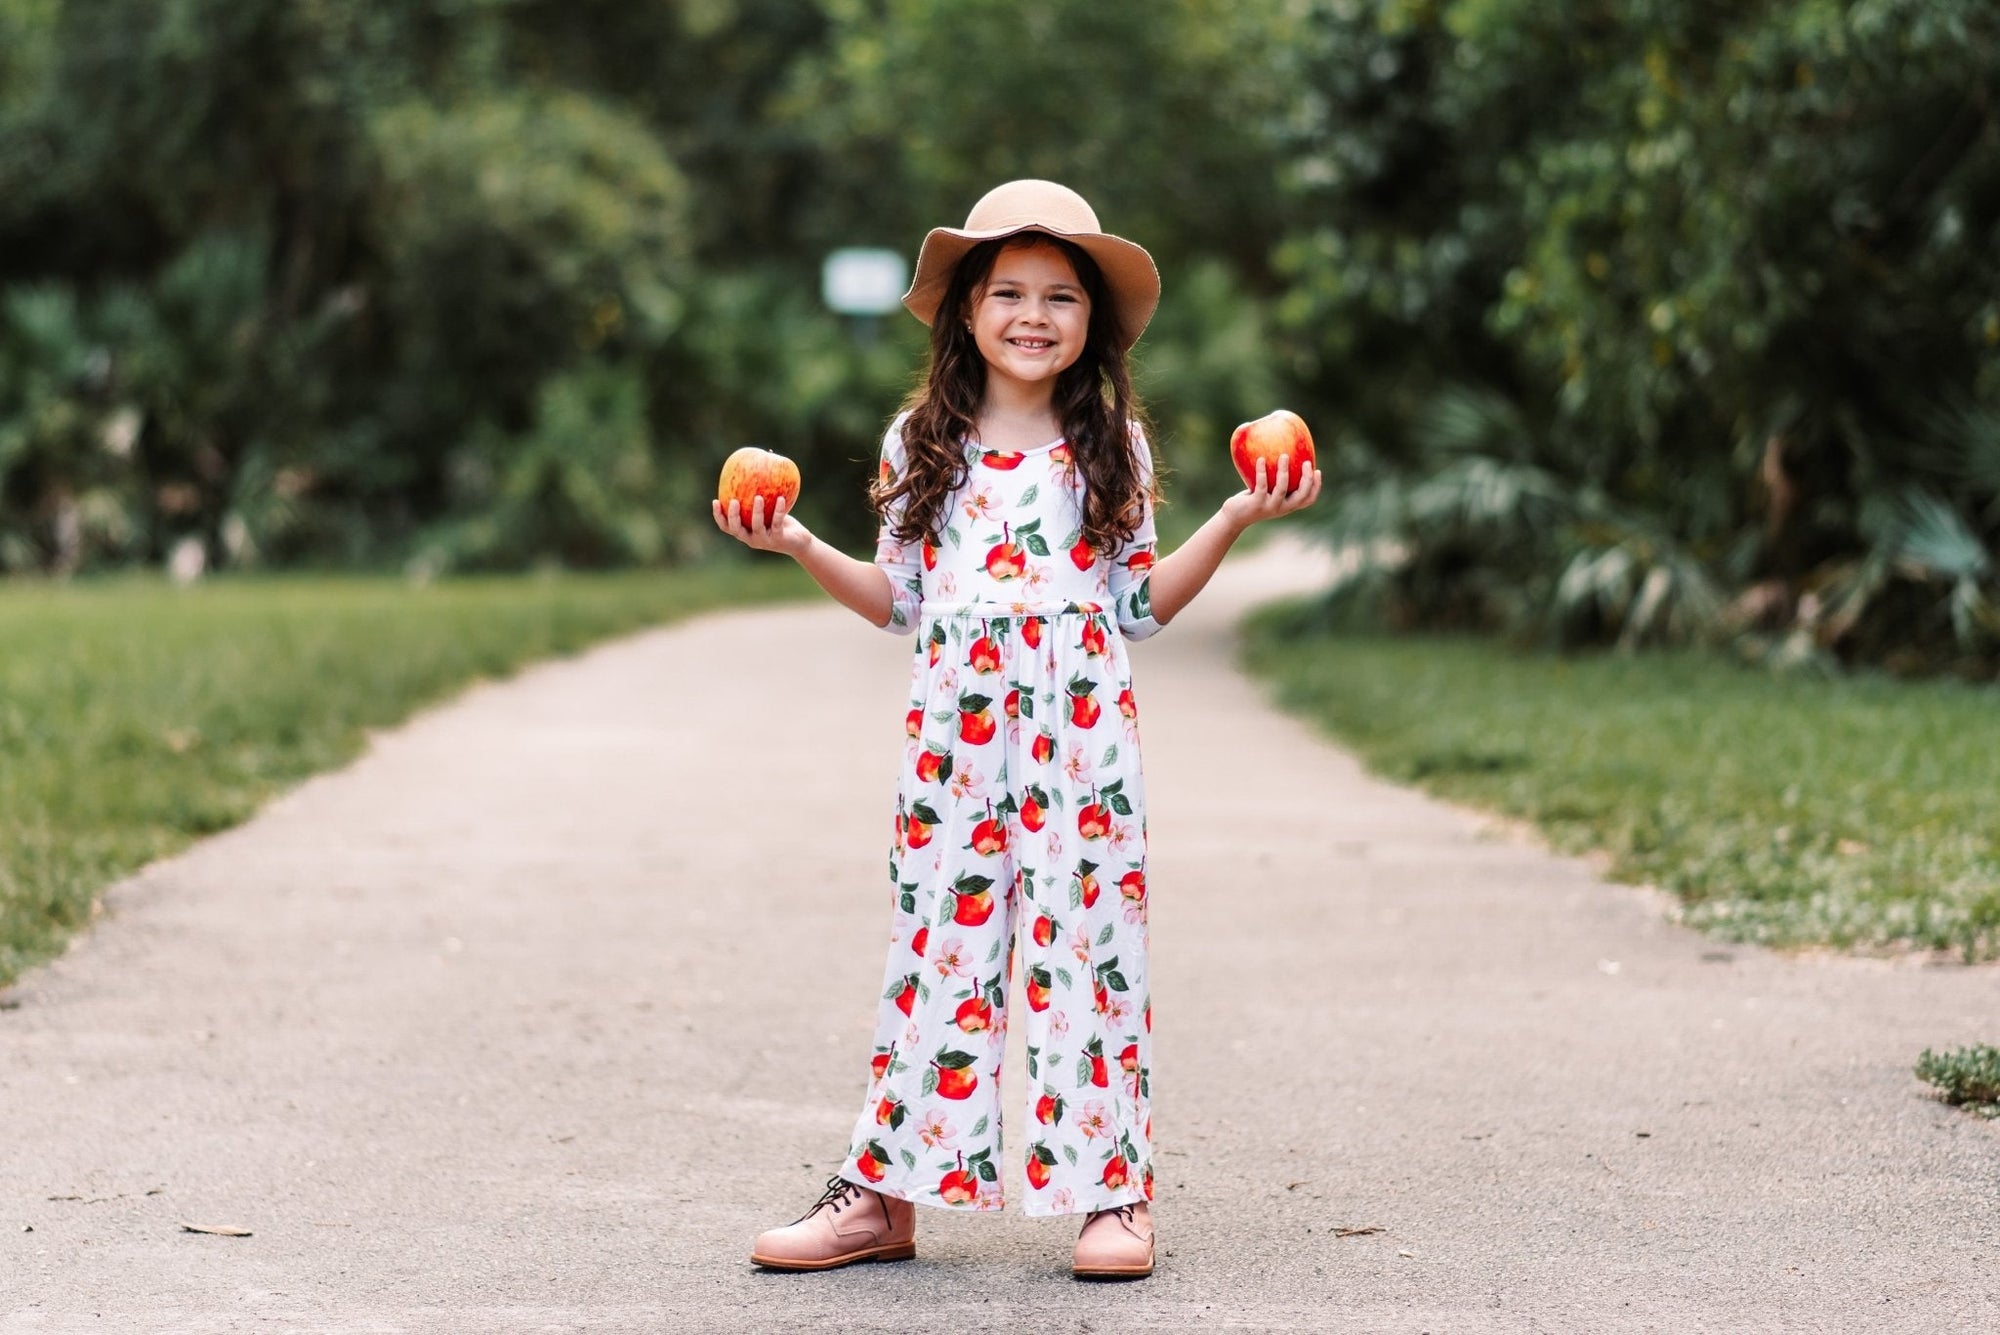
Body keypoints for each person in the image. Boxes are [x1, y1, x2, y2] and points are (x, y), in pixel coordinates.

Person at [713, 179, 1320, 1279]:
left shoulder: (1110, 445)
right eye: (1007, 292)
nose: (1032, 315)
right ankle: (885, 1193)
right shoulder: (919, 441)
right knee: (933, 952)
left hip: (1081, 751)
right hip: (954, 750)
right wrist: (799, 545)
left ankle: (1113, 1193)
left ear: (1092, 324)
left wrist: (1235, 516)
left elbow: (1138, 608)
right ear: (965, 312)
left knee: (1088, 957)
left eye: (1059, 297)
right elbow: (900, 602)